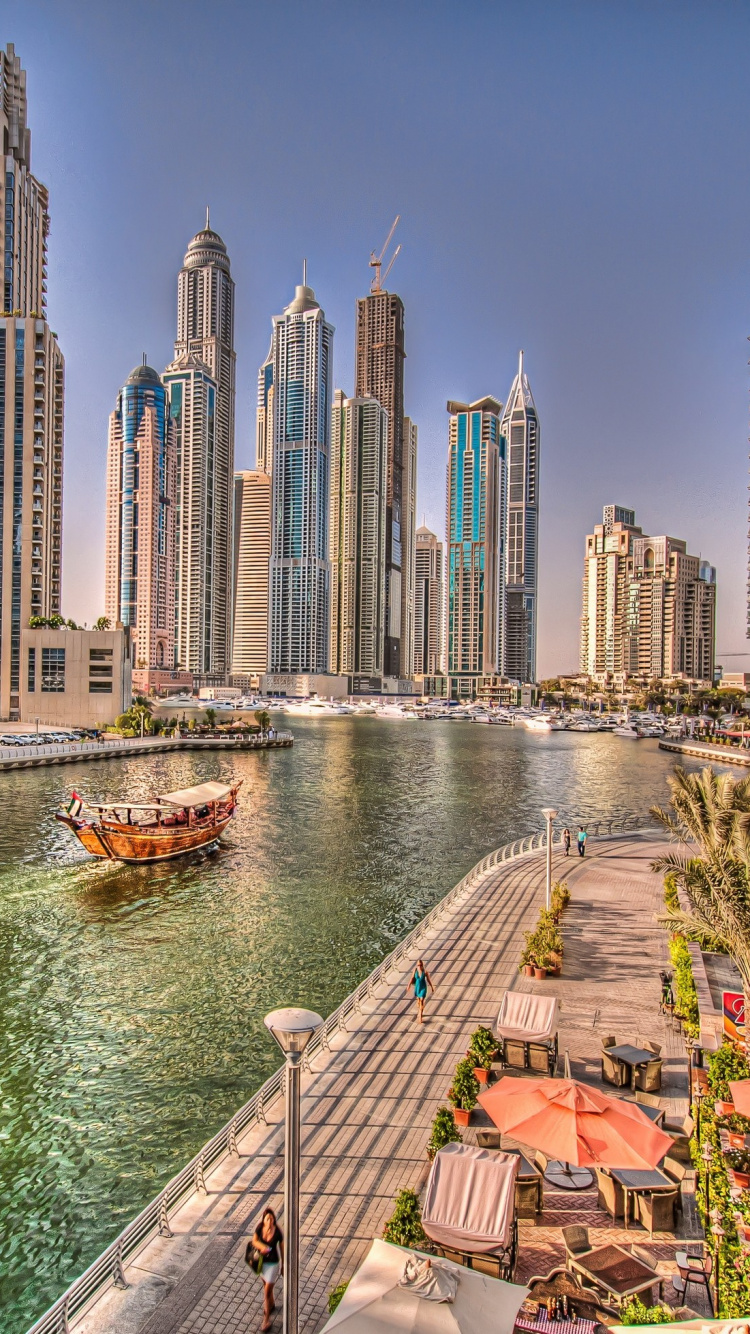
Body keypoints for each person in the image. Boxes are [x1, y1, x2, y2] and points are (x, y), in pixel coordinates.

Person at [249, 1207, 284, 1331]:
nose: (269, 1221)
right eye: (267, 1219)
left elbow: (282, 1248)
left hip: (273, 1264)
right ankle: (272, 1304)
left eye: (271, 1219)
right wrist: (263, 1247)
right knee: (266, 1286)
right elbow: (253, 1241)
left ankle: (266, 1320)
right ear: (263, 1220)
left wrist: (283, 1265)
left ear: (274, 1219)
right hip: (262, 1263)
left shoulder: (277, 1232)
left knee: (266, 1292)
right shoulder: (259, 1228)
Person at [406, 958, 434, 1024]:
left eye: (420, 965)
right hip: (417, 988)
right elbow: (412, 978)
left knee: (421, 1000)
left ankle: (420, 1015)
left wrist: (432, 986)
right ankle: (419, 1005)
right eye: (418, 965)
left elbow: (428, 980)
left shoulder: (425, 972)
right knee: (419, 1001)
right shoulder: (415, 971)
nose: (419, 966)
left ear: (422, 965)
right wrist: (408, 985)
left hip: (423, 988)